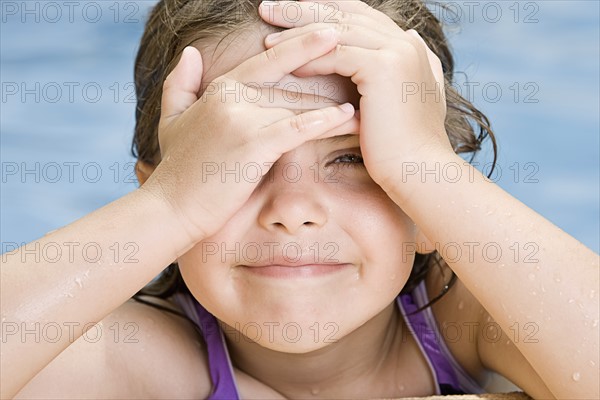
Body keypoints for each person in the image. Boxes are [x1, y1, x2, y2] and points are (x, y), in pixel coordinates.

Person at [2, 0, 598, 398]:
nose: (293, 209)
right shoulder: (152, 356)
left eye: (353, 158)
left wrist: (425, 166)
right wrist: (171, 209)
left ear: (428, 209)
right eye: (237, 166)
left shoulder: (467, 319)